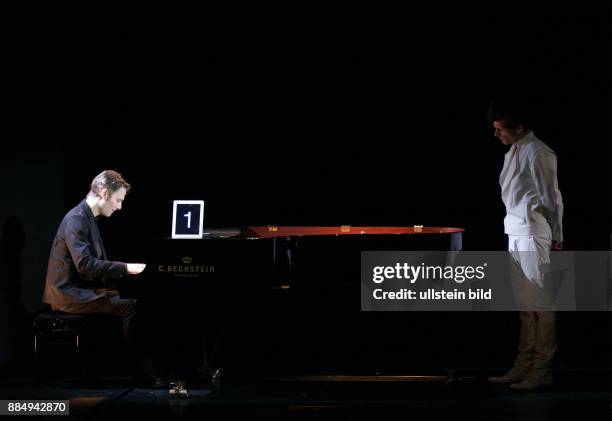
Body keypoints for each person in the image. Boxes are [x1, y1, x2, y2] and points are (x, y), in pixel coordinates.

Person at [486, 97, 563, 390]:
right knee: (525, 304)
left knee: (541, 304)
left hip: (533, 231)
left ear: (518, 127)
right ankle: (524, 364)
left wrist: (557, 234)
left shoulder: (539, 152)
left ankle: (541, 369)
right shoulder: (514, 151)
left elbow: (551, 197)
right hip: (515, 230)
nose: (497, 135)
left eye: (500, 129)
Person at [42, 170, 149, 372]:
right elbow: (85, 264)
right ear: (105, 192)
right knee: (130, 306)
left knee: (136, 299)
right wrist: (126, 268)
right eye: (118, 200)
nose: (120, 207)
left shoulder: (87, 217)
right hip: (66, 294)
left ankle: (135, 364)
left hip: (80, 289)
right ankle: (140, 370)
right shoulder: (76, 219)